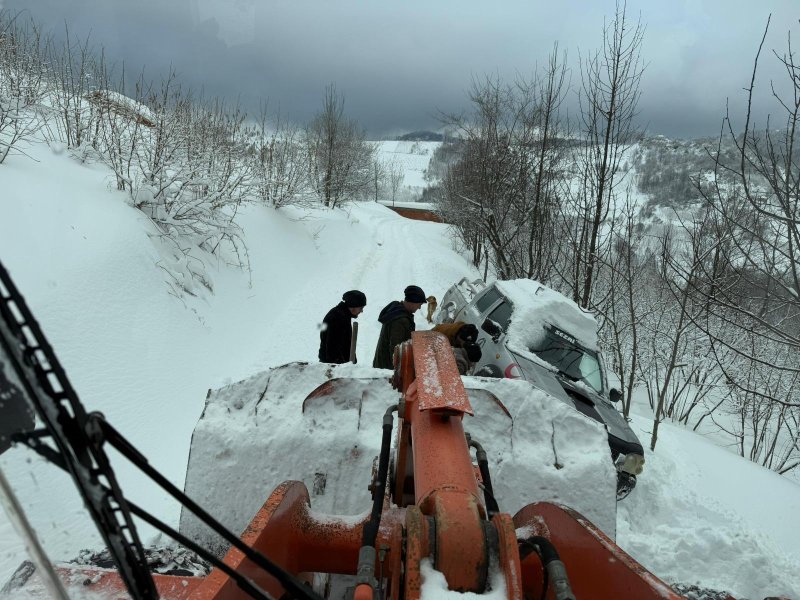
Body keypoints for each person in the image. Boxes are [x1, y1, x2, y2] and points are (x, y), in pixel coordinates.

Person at [372, 285, 426, 369]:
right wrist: (400, 372)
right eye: (419, 304)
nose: (419, 307)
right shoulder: (399, 321)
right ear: (412, 302)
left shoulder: (396, 311)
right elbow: (396, 351)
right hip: (387, 370)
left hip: (382, 366)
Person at [319, 290, 367, 364]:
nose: (361, 311)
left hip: (339, 365)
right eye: (360, 308)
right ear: (353, 306)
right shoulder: (338, 318)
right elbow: (333, 351)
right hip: (334, 367)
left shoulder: (342, 315)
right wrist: (344, 367)